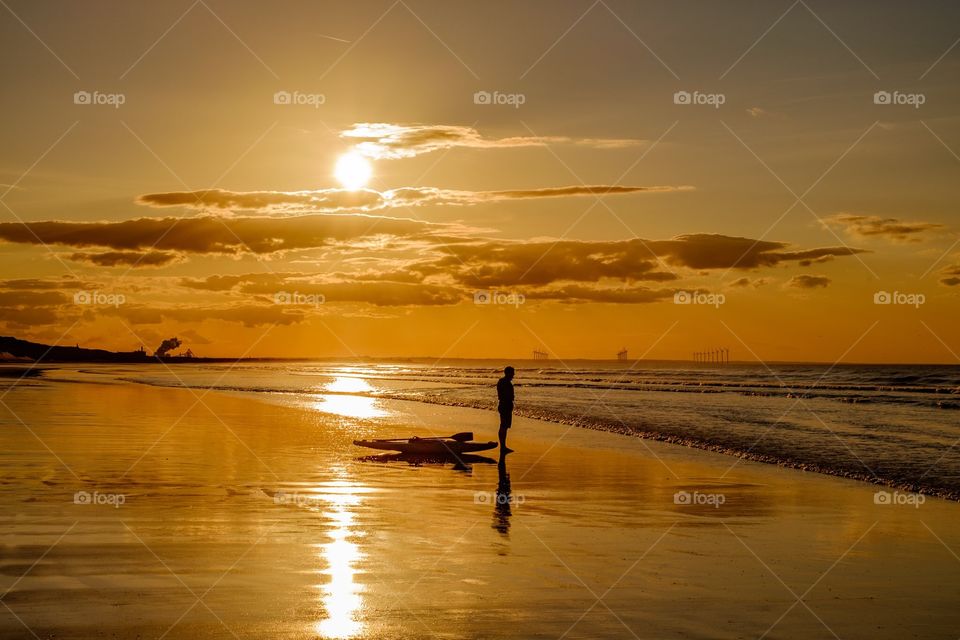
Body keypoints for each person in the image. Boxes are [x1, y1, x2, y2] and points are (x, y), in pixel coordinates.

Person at [496, 366, 515, 453]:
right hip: (505, 405)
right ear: (508, 373)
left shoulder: (501, 381)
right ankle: (503, 447)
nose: (513, 375)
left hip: (503, 405)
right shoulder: (506, 383)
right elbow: (507, 396)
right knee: (504, 426)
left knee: (503, 426)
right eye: (512, 373)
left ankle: (503, 446)